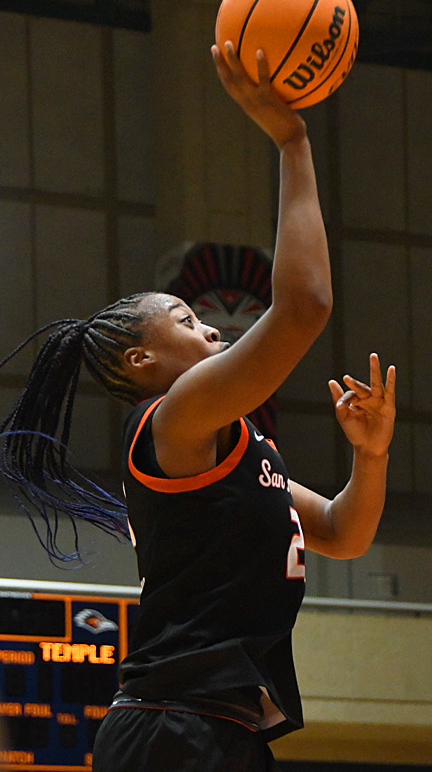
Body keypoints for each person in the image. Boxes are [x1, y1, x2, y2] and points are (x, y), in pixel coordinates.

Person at [0, 42, 396, 772]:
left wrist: (369, 457)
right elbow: (304, 305)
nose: (211, 325)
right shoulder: (172, 422)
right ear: (139, 361)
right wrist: (292, 140)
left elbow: (343, 531)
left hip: (220, 728)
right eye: (185, 320)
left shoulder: (240, 447)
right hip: (171, 727)